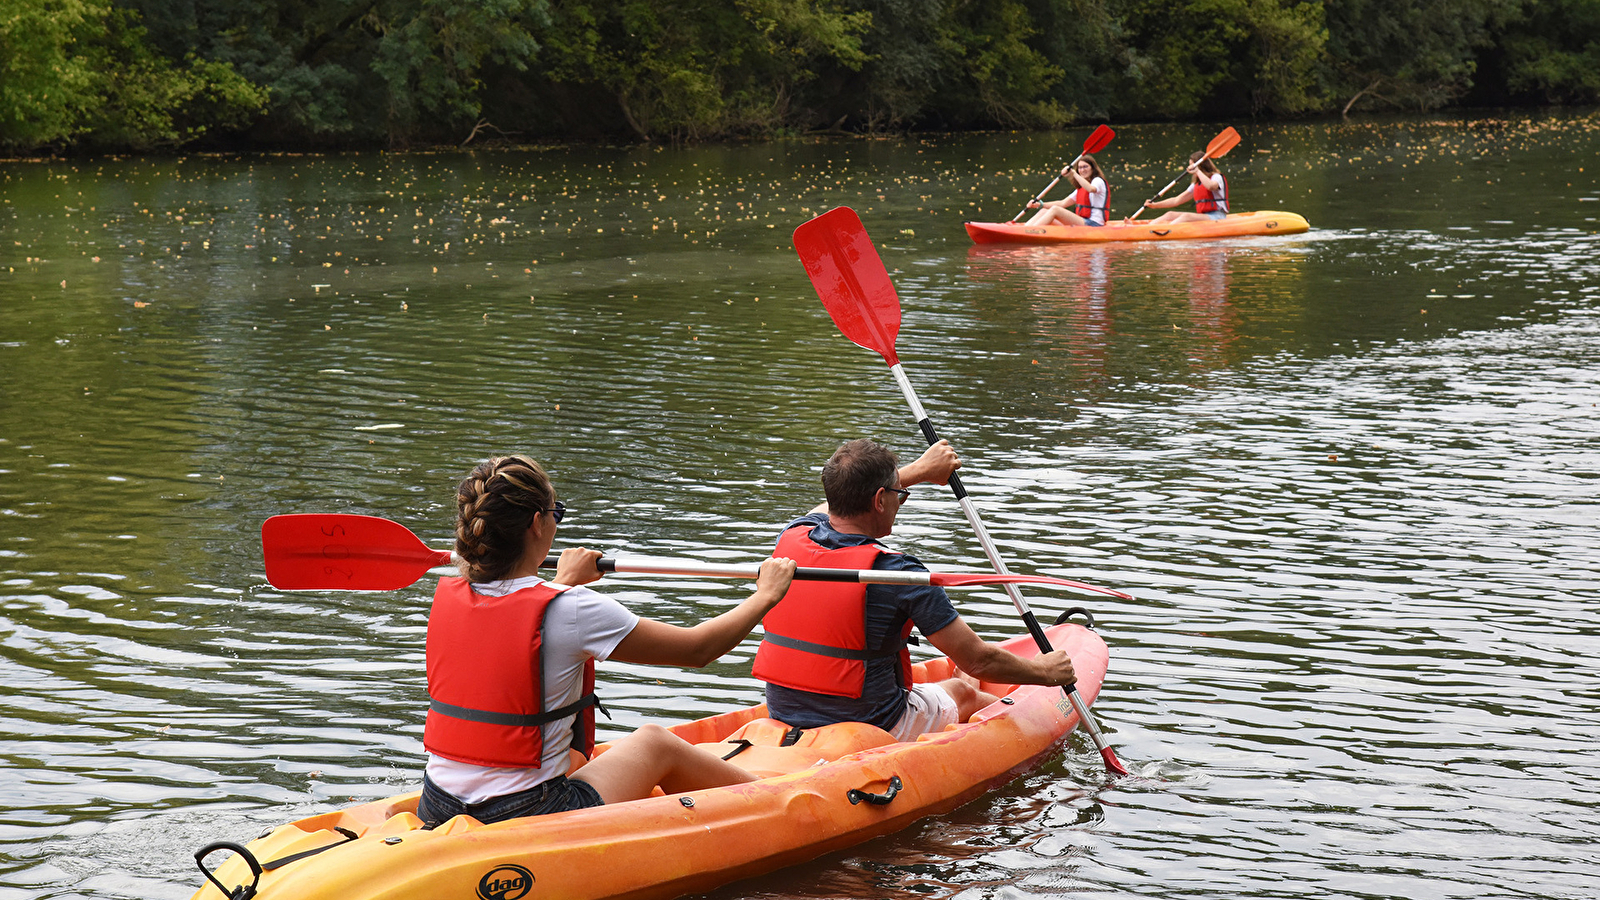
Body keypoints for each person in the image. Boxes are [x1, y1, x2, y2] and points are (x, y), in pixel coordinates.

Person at [417, 454, 797, 827]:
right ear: (536, 523)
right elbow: (698, 649)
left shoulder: (453, 595)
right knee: (654, 741)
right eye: (556, 513)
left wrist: (559, 584)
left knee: (577, 759)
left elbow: (518, 621)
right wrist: (766, 594)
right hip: (528, 811)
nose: (556, 523)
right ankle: (779, 801)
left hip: (436, 802)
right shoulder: (574, 608)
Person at [752, 439, 1077, 742]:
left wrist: (920, 470)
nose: (900, 500)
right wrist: (1044, 671)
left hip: (785, 709)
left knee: (957, 676)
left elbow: (831, 503)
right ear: (880, 500)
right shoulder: (900, 575)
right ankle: (1015, 739)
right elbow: (979, 660)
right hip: (873, 719)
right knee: (963, 690)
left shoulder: (794, 535)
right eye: (899, 493)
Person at [1140, 151, 1229, 224]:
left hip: (1218, 216)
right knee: (1170, 214)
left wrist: (1197, 171)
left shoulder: (1216, 177)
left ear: (1200, 165)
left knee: (1186, 216)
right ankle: (1147, 228)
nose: (1189, 168)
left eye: (1192, 165)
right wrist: (1154, 205)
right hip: (1204, 216)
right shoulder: (1197, 184)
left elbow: (1210, 186)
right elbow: (1176, 200)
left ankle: (1167, 231)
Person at [1025, 154, 1110, 227]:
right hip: (1082, 222)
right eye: (1080, 168)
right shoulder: (1081, 189)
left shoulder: (1098, 181)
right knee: (1043, 211)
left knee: (1055, 210)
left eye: (1085, 167)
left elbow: (1091, 189)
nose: (1082, 170)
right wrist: (1039, 205)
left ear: (1092, 168)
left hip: (1094, 224)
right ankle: (1024, 229)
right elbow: (1063, 203)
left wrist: (1073, 173)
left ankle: (1032, 231)